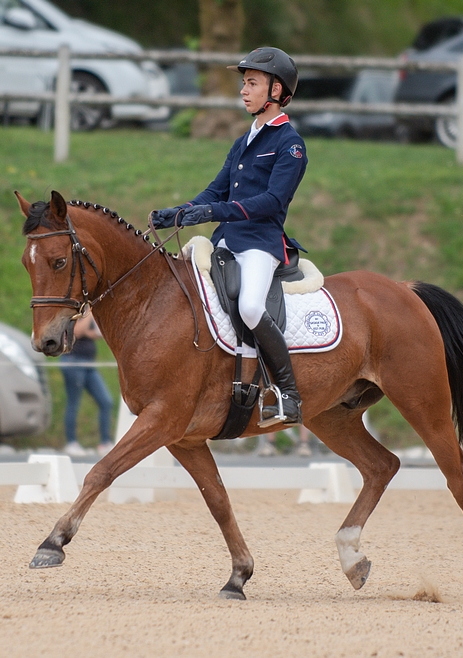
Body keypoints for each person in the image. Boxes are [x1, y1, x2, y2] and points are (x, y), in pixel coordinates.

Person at [151, 47, 308, 426]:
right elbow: (216, 191)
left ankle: (288, 394)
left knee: (251, 307)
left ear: (276, 91)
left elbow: (271, 201)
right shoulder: (243, 141)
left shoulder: (291, 144)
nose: (243, 90)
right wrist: (182, 212)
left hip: (260, 243)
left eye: (252, 83)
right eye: (244, 83)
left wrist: (214, 212)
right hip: (226, 241)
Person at [59, 313, 114, 457]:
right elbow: (76, 331)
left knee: (106, 401)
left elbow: (97, 333)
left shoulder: (85, 314)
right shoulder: (73, 312)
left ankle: (105, 442)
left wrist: (89, 331)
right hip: (73, 361)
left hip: (89, 363)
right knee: (73, 402)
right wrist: (89, 314)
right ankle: (71, 442)